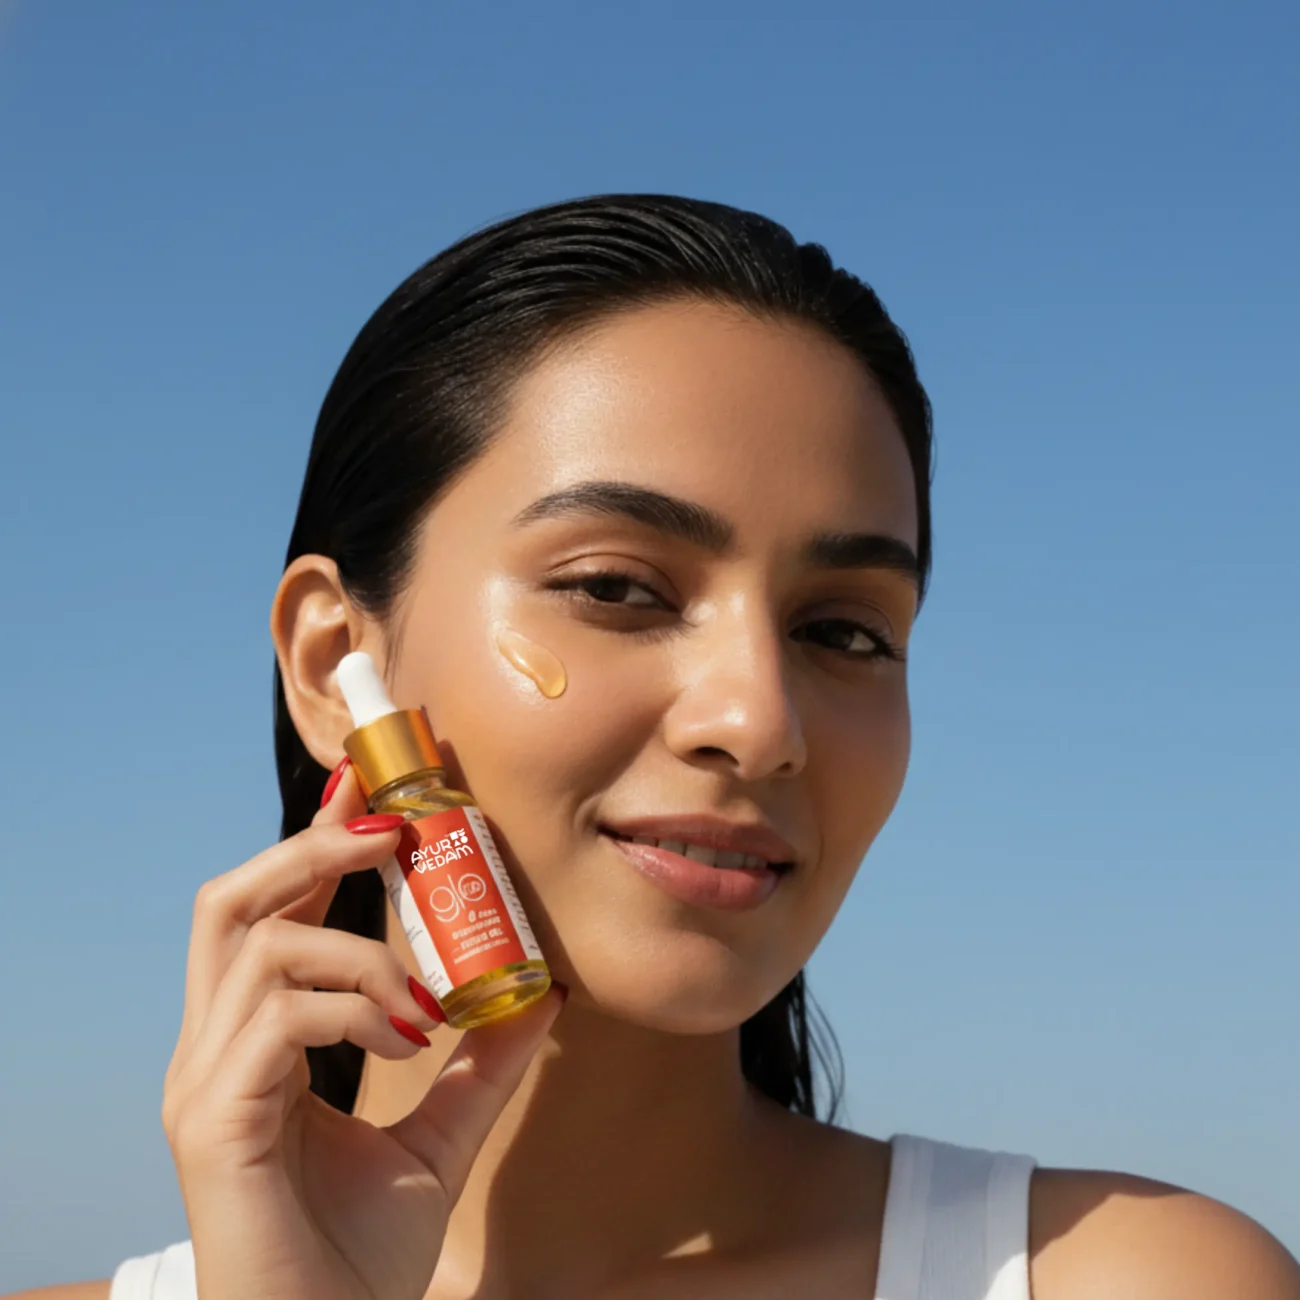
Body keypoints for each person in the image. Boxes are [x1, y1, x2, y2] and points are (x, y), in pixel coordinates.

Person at [13, 195, 1297, 1300]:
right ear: (330, 664)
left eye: (844, 631)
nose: (757, 722)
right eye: (618, 588)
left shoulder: (1124, 1276)